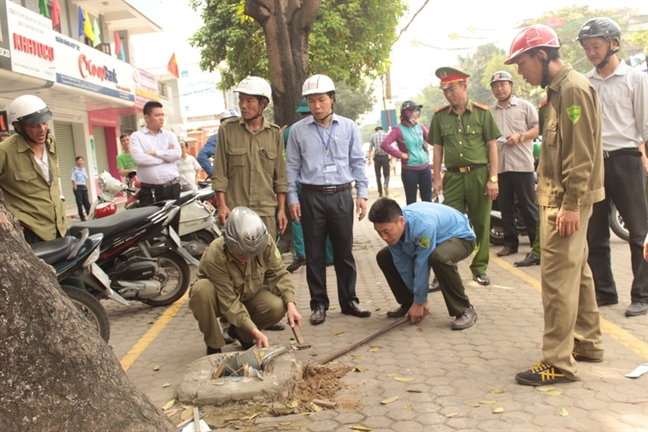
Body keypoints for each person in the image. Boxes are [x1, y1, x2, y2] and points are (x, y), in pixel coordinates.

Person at [505, 24, 605, 386]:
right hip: (560, 197)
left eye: (522, 63)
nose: (520, 71)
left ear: (542, 55)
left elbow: (581, 155)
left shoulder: (573, 90)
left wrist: (571, 205)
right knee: (577, 271)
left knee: (557, 279)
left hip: (566, 200)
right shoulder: (558, 91)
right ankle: (588, 342)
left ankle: (558, 363)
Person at [576, 18, 648, 317]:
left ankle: (642, 294)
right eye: (587, 47)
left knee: (638, 231)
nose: (592, 52)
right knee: (595, 233)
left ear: (613, 44)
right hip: (595, 163)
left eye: (596, 46)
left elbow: (645, 125)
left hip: (627, 160)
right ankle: (604, 292)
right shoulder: (585, 82)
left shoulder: (635, 79)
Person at [286, 74, 371, 325]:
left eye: (321, 99)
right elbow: (291, 166)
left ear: (332, 99)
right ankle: (319, 304)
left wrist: (362, 194)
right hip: (311, 196)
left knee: (344, 251)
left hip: (342, 195)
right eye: (311, 101)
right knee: (314, 253)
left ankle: (349, 300)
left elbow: (357, 162)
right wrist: (293, 197)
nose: (316, 106)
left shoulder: (349, 127)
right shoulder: (297, 131)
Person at [188, 206, 302, 355]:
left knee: (277, 306)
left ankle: (242, 334)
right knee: (201, 290)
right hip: (219, 299)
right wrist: (257, 332)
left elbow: (279, 274)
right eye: (241, 253)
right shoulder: (215, 255)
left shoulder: (265, 242)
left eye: (252, 253)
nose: (247, 257)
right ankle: (214, 344)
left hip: (249, 293)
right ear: (229, 242)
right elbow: (229, 302)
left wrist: (291, 304)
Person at [428, 67, 501, 286]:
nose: (448, 94)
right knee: (448, 226)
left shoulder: (482, 113)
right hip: (452, 178)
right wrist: (437, 179)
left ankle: (479, 268)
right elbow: (438, 149)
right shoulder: (440, 116)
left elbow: (492, 147)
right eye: (445, 90)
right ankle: (444, 272)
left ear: (464, 86)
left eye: (452, 89)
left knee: (481, 223)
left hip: (479, 175)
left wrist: (493, 178)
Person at [370, 198, 478, 330]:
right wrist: (417, 300)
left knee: (439, 257)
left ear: (401, 221)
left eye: (386, 231)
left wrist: (420, 299)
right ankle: (409, 303)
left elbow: (422, 265)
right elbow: (402, 264)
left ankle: (465, 309)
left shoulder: (423, 225)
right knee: (384, 257)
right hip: (437, 238)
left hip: (460, 238)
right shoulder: (393, 228)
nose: (383, 237)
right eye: (378, 232)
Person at [213, 77, 287, 241]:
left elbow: (280, 178)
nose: (242, 105)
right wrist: (222, 205)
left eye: (249, 100)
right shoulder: (227, 130)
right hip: (236, 210)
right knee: (237, 261)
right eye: (241, 100)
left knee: (267, 260)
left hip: (266, 211)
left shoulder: (275, 134)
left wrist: (281, 210)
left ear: (263, 103)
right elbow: (219, 173)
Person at [0, 95, 67, 244]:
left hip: (60, 227)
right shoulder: (5, 152)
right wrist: (6, 217)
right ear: (18, 126)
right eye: (34, 125)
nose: (41, 129)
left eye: (44, 123)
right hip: (32, 233)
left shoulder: (51, 142)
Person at [489, 71, 540, 257]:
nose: (499, 88)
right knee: (505, 208)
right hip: (500, 166)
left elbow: (537, 128)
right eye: (495, 86)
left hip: (522, 165)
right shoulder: (490, 112)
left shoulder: (525, 106)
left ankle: (537, 246)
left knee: (529, 206)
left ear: (511, 86)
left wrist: (521, 137)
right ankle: (510, 243)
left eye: (503, 84)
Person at [283, 98, 334, 273]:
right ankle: (328, 256)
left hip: (297, 183)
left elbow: (287, 159)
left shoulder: (289, 131)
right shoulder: (322, 128)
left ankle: (301, 252)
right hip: (316, 183)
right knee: (325, 220)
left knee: (298, 219)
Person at [515, 99, 547, 267]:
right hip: (546, 169)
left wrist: (520, 137)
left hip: (527, 166)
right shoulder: (545, 107)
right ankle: (538, 251)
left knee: (533, 209)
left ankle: (540, 251)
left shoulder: (528, 107)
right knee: (542, 212)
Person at [381, 101, 432, 205]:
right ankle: (411, 221)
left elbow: (431, 140)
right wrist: (401, 155)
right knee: (412, 202)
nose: (417, 113)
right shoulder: (398, 129)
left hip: (425, 168)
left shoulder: (420, 126)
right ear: (406, 113)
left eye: (418, 111)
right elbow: (385, 144)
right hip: (410, 171)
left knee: (428, 201)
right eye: (414, 111)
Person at [197, 109, 239, 178]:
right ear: (222, 123)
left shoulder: (244, 137)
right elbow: (202, 156)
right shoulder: (217, 139)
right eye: (229, 121)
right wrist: (215, 174)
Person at [369, 126, 390, 197]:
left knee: (378, 175)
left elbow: (370, 148)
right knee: (387, 174)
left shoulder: (373, 136)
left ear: (376, 131)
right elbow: (389, 146)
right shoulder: (386, 135)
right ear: (382, 130)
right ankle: (386, 184)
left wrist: (369, 159)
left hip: (377, 158)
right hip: (385, 157)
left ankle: (380, 192)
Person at [71, 156, 91, 221]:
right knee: (79, 203)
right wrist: (75, 188)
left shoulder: (84, 169)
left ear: (83, 161)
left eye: (81, 160)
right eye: (79, 160)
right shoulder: (74, 170)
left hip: (83, 187)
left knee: (87, 202)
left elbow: (85, 178)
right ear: (76, 162)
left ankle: (90, 214)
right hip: (78, 187)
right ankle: (82, 217)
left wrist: (86, 186)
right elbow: (73, 180)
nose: (80, 162)